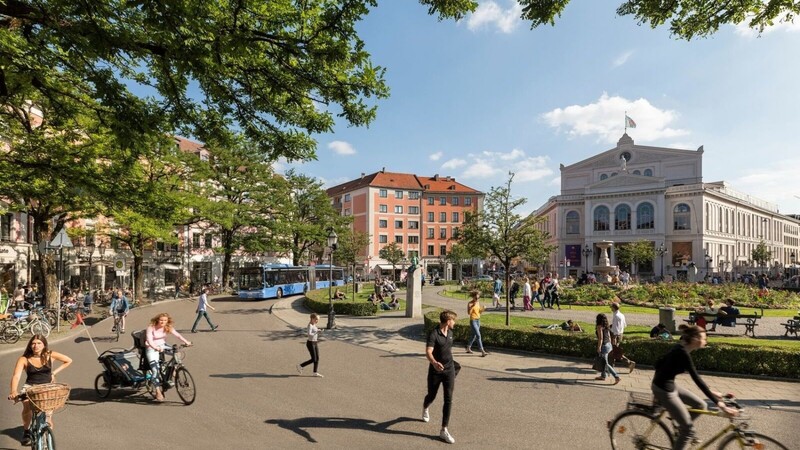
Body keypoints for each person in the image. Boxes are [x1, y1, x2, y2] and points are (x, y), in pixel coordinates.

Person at [652, 325, 738, 449]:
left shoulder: (681, 348)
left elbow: (658, 364)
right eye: (704, 338)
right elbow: (697, 379)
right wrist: (720, 404)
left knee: (701, 405)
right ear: (694, 339)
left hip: (670, 385)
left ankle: (680, 424)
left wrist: (711, 392)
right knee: (688, 431)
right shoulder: (682, 353)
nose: (705, 341)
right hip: (664, 390)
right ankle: (684, 429)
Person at [7, 335, 72, 445]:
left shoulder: (50, 355)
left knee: (48, 417)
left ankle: (48, 438)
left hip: (47, 388)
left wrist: (53, 373)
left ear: (44, 345)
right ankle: (27, 430)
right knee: (27, 407)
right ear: (30, 345)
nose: (35, 346)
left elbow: (68, 360)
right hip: (30, 387)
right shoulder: (24, 359)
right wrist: (14, 391)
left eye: (39, 343)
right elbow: (16, 376)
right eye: (33, 343)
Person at [422, 309, 459, 444]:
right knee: (431, 395)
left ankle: (444, 430)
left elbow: (447, 351)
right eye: (453, 320)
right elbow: (428, 351)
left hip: (449, 370)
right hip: (435, 371)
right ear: (448, 321)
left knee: (448, 399)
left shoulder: (450, 333)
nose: (455, 323)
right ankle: (426, 407)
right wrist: (434, 362)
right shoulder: (434, 334)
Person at [145, 313, 192, 402]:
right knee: (155, 370)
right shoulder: (151, 328)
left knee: (176, 353)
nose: (163, 322)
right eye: (161, 320)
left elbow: (177, 335)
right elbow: (149, 340)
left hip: (163, 346)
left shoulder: (167, 327)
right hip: (152, 348)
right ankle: (158, 391)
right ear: (157, 320)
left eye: (165, 320)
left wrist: (186, 342)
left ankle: (174, 370)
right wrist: (156, 348)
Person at [594, 313, 621, 384]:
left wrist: (599, 347)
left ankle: (616, 376)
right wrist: (611, 345)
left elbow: (601, 338)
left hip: (604, 346)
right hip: (609, 345)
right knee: (604, 361)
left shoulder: (599, 326)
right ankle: (603, 376)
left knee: (605, 363)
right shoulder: (607, 326)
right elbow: (609, 336)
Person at [610, 303, 636, 373]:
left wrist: (613, 336)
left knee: (614, 351)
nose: (610, 308)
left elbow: (615, 328)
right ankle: (611, 366)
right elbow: (624, 325)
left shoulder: (616, 316)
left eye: (611, 307)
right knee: (614, 351)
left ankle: (629, 363)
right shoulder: (621, 315)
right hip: (620, 334)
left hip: (615, 335)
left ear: (614, 308)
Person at [296, 313, 323, 377]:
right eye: (316, 319)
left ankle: (315, 372)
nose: (317, 321)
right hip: (310, 343)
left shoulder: (314, 325)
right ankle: (300, 366)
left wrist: (318, 330)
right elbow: (309, 334)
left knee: (317, 358)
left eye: (317, 320)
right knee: (313, 359)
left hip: (315, 342)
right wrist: (317, 332)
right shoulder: (310, 325)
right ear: (312, 319)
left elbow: (314, 332)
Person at [465, 290, 489, 357]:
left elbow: (479, 312)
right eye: (476, 298)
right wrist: (472, 306)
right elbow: (469, 313)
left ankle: (468, 348)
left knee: (473, 335)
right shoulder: (470, 303)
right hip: (473, 320)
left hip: (478, 320)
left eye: (478, 298)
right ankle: (482, 351)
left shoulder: (478, 303)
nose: (477, 299)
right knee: (478, 335)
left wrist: (483, 309)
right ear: (473, 297)